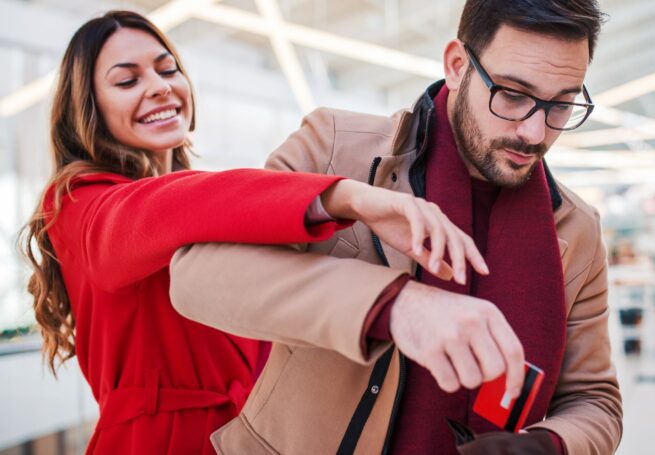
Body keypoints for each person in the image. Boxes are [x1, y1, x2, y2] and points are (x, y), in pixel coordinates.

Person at [19, 10, 485, 454]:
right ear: (89, 106)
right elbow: (156, 210)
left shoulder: (209, 211)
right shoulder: (78, 202)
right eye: (128, 80)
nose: (161, 88)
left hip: (248, 436)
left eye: (168, 70)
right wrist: (348, 197)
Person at [170, 0, 623, 453]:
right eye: (512, 95)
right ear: (457, 66)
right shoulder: (335, 149)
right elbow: (197, 277)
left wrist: (548, 446)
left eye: (561, 105)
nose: (535, 132)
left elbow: (594, 400)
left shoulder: (576, 230)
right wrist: (394, 306)